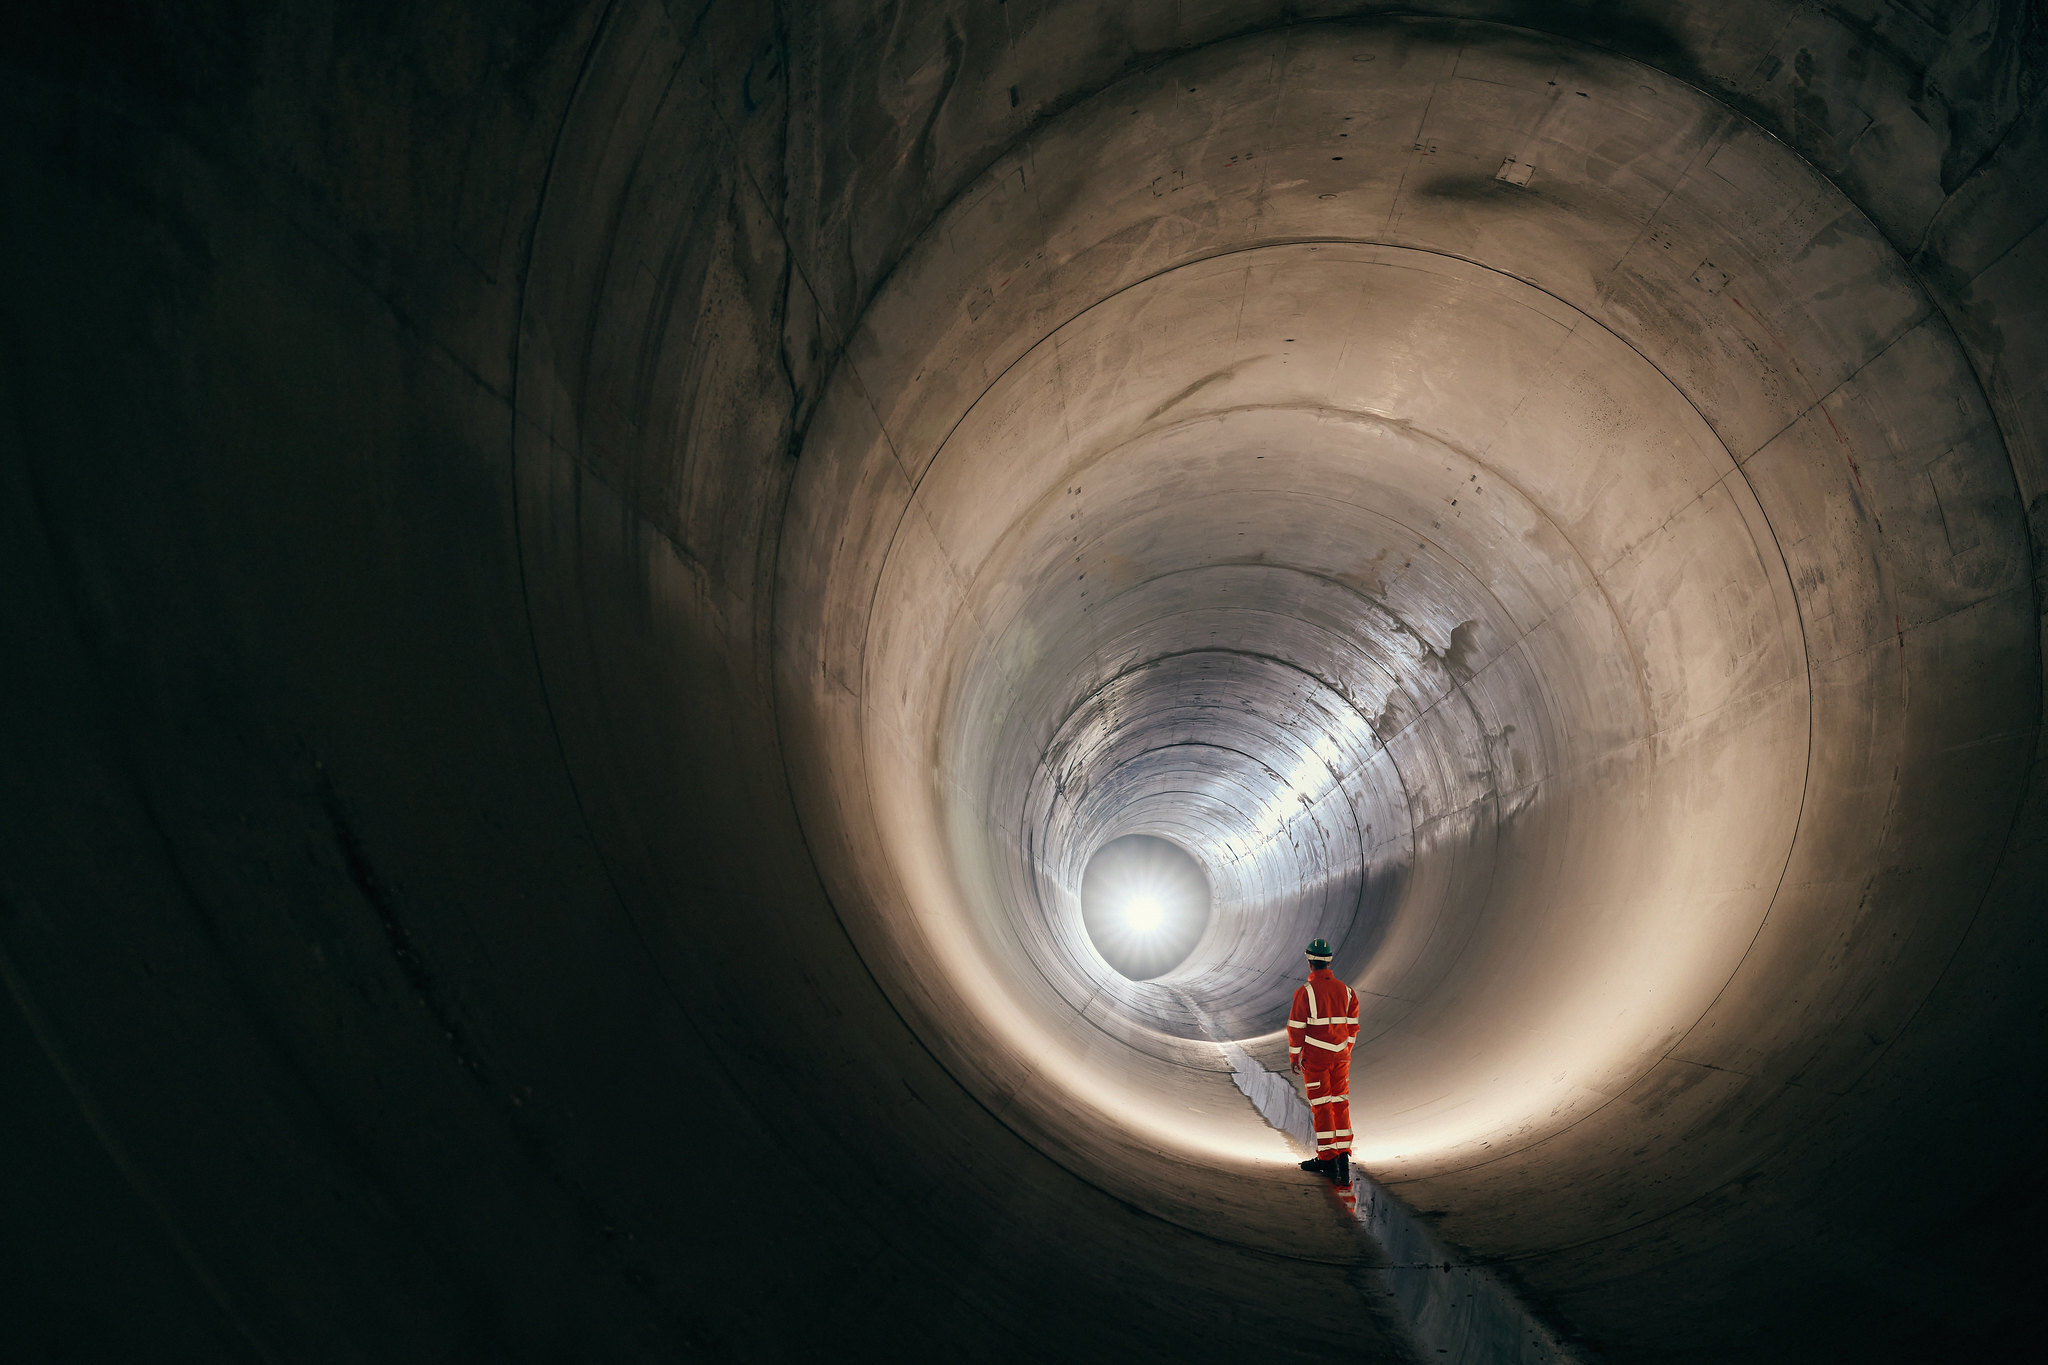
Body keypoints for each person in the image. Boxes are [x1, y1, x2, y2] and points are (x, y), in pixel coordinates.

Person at [1288, 938, 1360, 1187]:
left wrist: (1294, 1055)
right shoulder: (1348, 992)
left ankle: (1327, 1158)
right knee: (1340, 1103)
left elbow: (1296, 1027)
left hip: (1316, 1060)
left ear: (1310, 963)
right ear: (1329, 961)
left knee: (1322, 1106)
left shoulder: (1305, 993)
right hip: (1340, 1058)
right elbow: (1352, 1027)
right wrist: (1344, 1049)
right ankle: (1343, 1156)